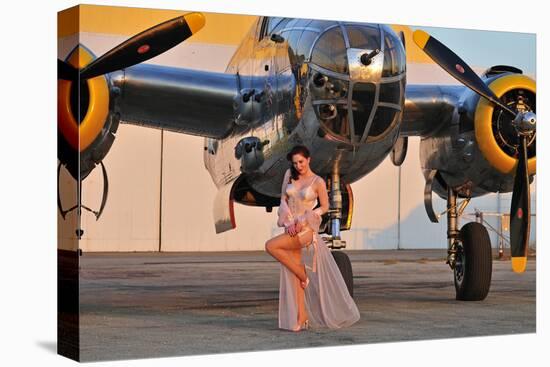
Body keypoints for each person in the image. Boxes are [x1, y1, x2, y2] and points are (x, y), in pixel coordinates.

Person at [265, 145, 360, 332]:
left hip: (305, 229)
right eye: (295, 162)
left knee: (271, 246)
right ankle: (301, 317)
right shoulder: (289, 175)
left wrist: (303, 219)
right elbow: (283, 199)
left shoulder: (317, 181)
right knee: (292, 277)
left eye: (301, 161)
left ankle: (302, 272)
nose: (298, 165)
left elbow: (324, 207)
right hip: (290, 227)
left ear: (308, 160)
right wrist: (289, 221)